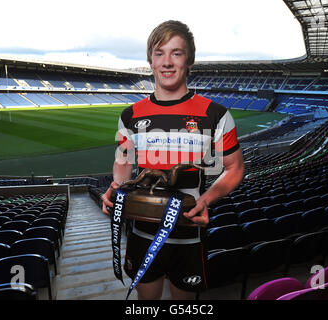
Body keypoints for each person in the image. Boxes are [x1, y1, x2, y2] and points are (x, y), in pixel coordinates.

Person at [102, 20, 244, 300]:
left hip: (189, 234)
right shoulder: (130, 115)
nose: (167, 62)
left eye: (176, 53)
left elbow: (235, 169)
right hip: (142, 231)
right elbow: (124, 161)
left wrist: (206, 199)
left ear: (188, 61)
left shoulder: (216, 114)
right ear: (150, 61)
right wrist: (116, 186)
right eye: (159, 53)